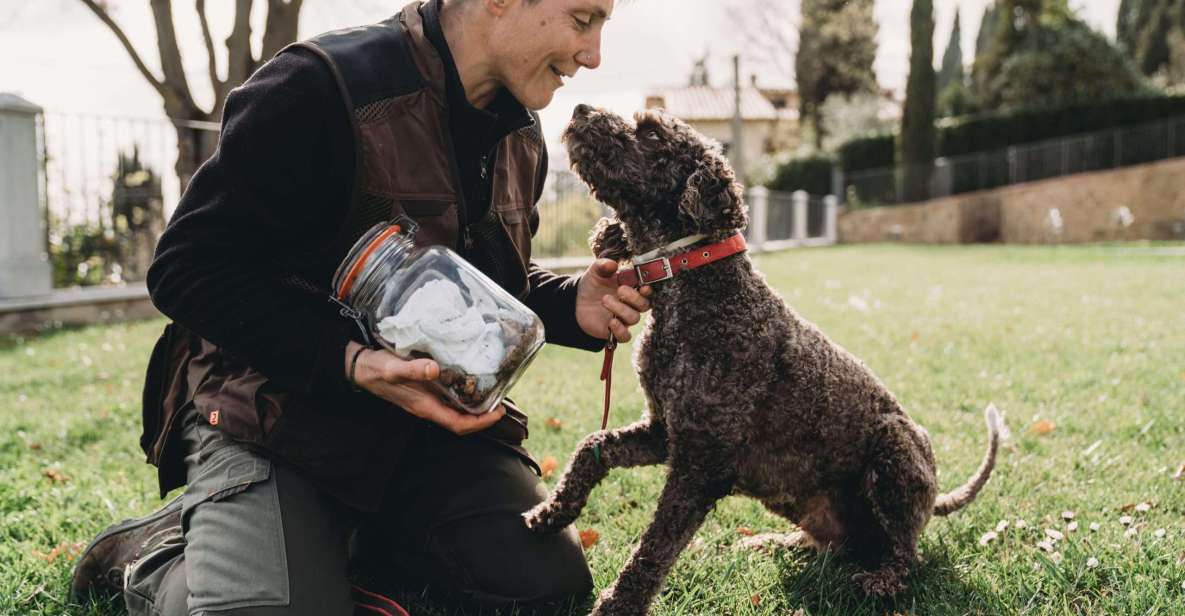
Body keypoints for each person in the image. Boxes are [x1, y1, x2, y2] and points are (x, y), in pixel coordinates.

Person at [68, 0, 653, 614]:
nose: (593, 55)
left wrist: (572, 302)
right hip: (275, 413)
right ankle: (158, 553)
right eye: (582, 19)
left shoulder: (520, 127)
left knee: (544, 591)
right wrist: (351, 362)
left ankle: (326, 539)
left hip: (421, 426)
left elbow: (474, 284)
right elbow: (187, 267)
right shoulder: (319, 86)